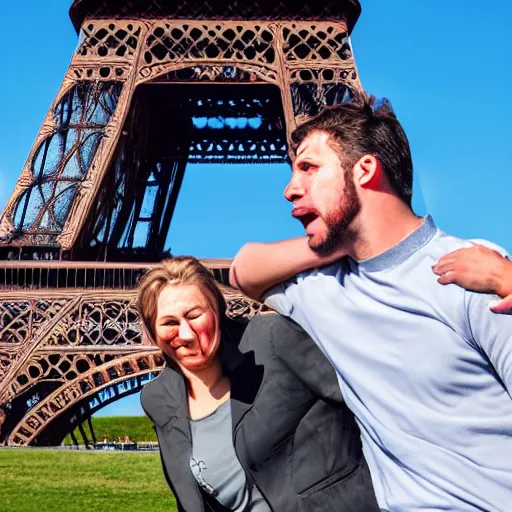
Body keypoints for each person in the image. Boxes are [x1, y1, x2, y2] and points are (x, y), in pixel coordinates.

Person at [230, 94, 512, 511]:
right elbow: (244, 270)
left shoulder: (474, 272)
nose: (291, 189)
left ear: (365, 169)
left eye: (308, 167)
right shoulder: (325, 288)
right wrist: (339, 242)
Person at [137, 256, 379, 512]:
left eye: (194, 315)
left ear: (217, 311)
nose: (185, 334)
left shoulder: (272, 338)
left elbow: (368, 400)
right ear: (152, 332)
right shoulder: (159, 399)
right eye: (169, 323)